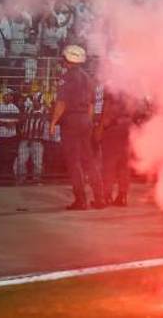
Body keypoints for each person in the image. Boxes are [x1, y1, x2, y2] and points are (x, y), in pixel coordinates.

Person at [50, 45, 105, 210]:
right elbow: (90, 105)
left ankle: (80, 200)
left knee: (74, 162)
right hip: (85, 121)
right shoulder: (88, 78)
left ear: (67, 60)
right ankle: (100, 199)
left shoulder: (67, 78)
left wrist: (53, 122)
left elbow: (61, 103)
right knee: (89, 161)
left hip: (71, 121)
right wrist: (86, 122)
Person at [96, 91, 133, 207]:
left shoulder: (112, 85)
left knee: (109, 164)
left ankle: (106, 196)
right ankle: (122, 196)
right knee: (124, 164)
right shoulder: (130, 87)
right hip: (127, 127)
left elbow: (107, 108)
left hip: (113, 128)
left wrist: (100, 128)